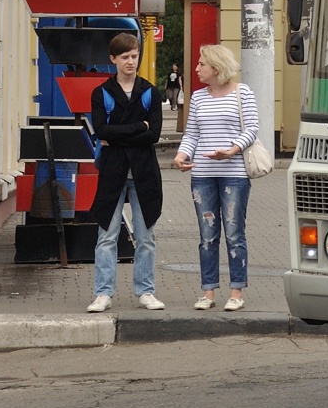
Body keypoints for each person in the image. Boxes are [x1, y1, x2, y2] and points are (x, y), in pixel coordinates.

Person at [173, 44, 257, 311]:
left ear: (217, 68)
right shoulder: (198, 97)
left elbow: (252, 128)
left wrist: (232, 149)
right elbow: (192, 134)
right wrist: (181, 155)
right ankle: (208, 292)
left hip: (234, 175)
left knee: (234, 232)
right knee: (207, 235)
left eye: (201, 64)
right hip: (203, 175)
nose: (196, 68)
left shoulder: (242, 93)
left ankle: (236, 292)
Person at [86, 32, 165, 313]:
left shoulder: (150, 92)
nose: (131, 61)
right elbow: (101, 131)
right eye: (125, 57)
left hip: (143, 172)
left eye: (134, 56)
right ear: (113, 60)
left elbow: (154, 134)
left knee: (146, 237)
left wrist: (120, 135)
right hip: (113, 171)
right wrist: (139, 127)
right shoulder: (102, 93)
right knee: (106, 235)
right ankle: (102, 293)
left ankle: (146, 291)